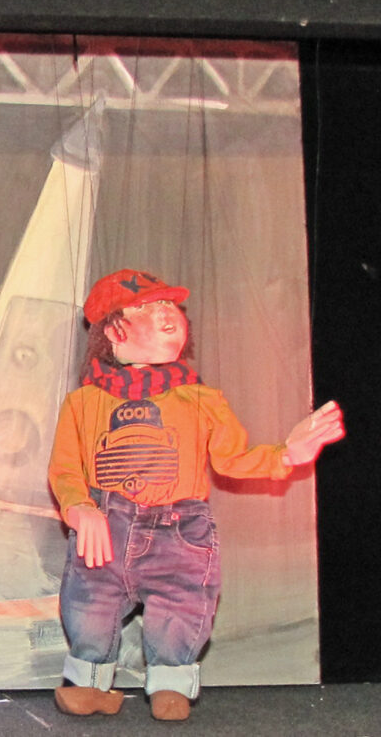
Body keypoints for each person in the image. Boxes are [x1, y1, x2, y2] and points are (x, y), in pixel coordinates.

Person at [47, 269, 344, 721]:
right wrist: (79, 507)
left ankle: (170, 685)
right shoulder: (83, 403)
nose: (165, 312)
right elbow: (65, 468)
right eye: (146, 306)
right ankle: (88, 683)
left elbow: (233, 458)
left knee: (182, 603)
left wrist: (287, 454)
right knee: (90, 603)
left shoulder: (201, 399)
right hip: (105, 526)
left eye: (169, 304)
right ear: (113, 330)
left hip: (178, 528)